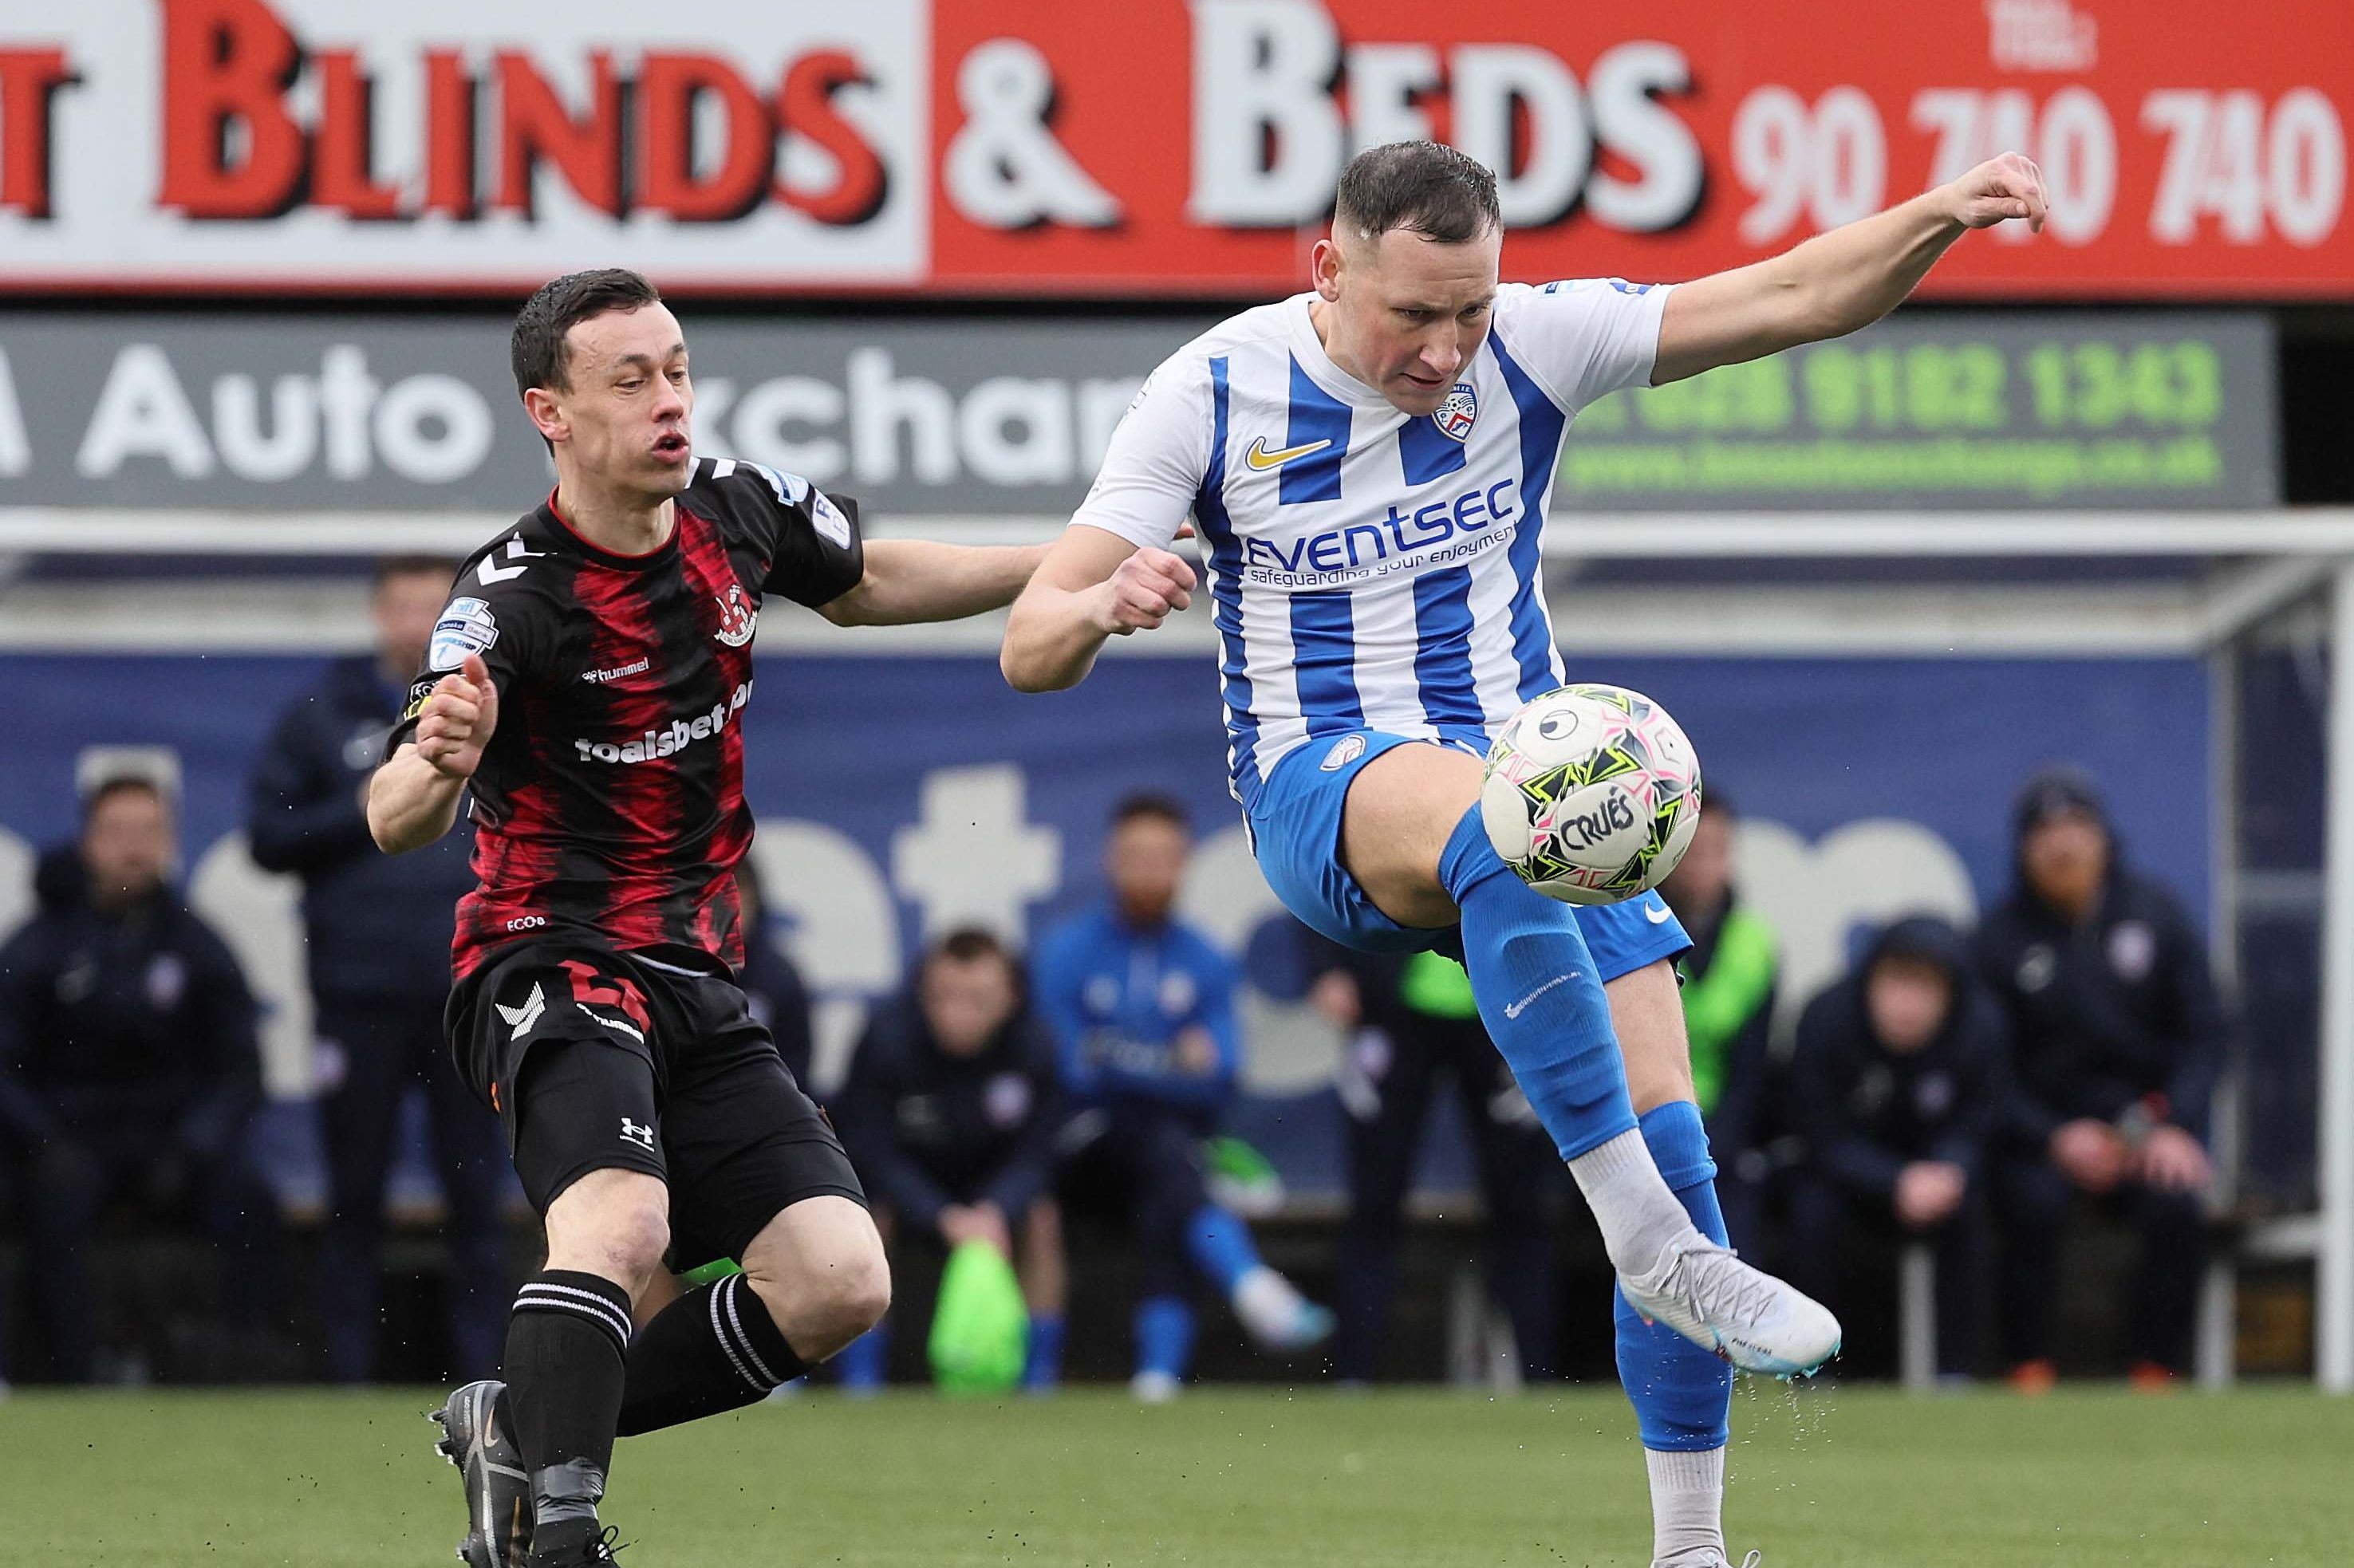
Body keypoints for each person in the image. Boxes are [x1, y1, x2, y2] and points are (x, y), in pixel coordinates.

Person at [1001, 137, 2047, 1566]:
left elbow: (1796, 296)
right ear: (1327, 268)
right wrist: (1104, 597)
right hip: (1327, 795)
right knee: (1520, 835)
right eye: (1411, 314)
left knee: (1676, 1142)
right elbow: (1026, 644)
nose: (1444, 351)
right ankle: (1641, 1235)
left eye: (1470, 312)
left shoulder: (1533, 347)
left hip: (1523, 792)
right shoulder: (1210, 391)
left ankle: (1689, 1544)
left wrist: (1934, 215)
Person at [368, 268, 1047, 1568]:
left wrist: (1070, 560)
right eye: (630, 380)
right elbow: (393, 813)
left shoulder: (733, 511)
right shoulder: (511, 596)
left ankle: (520, 1425)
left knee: (842, 1281)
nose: (669, 399)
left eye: (676, 368)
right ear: (551, 413)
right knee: (620, 1227)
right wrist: (437, 759)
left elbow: (867, 576)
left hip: (694, 971)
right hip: (550, 959)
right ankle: (554, 1540)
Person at [247, 554, 511, 1385]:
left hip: (468, 995)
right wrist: (371, 797)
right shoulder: (324, 714)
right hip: (356, 997)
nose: (414, 623)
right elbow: (268, 838)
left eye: (432, 606)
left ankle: (489, 1377)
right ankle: (344, 1375)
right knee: (351, 1196)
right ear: (376, 615)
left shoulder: (491, 708)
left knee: (478, 1198)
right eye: (401, 607)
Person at [1031, 794, 1332, 1400]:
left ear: (1183, 863)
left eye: (1163, 857)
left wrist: (1113, 1054)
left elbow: (1219, 1078)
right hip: (1079, 1148)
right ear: (1112, 861)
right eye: (1136, 856)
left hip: (1167, 1154)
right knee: (1164, 1153)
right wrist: (1168, 1060)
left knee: (1169, 1177)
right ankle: (1249, 1287)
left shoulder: (1206, 960)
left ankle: (1157, 1380)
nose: (1149, 870)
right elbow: (1069, 1073)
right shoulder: (1066, 952)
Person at [0, 774, 286, 1382]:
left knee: (247, 1199)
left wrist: (197, 1142)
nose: (133, 848)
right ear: (88, 841)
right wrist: (44, 1142)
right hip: (69, 1138)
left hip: (172, 1138)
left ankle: (244, 1365)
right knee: (52, 1197)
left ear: (170, 842)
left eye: (148, 832)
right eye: (118, 832)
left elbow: (240, 1067)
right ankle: (65, 1374)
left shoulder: (197, 944)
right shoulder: (39, 945)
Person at [1975, 768, 2228, 1390]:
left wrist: (2169, 1126)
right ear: (2023, 849)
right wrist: (2053, 1136)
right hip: (2044, 1137)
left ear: (2103, 838)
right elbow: (1985, 1070)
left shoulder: (2157, 917)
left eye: (2076, 828)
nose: (2062, 846)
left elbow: (2206, 1036)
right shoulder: (1997, 941)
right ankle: (2027, 1367)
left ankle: (2155, 1369)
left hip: (2143, 1128)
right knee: (2026, 1203)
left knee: (2175, 1203)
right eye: (2045, 833)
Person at [1307, 942, 1563, 1383]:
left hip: (1504, 1012)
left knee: (1521, 1204)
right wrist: (1326, 965)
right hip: (1392, 1007)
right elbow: (1328, 872)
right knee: (1374, 1202)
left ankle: (1538, 1374)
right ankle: (1352, 1375)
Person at [832, 928, 1067, 1391]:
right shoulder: (886, 1041)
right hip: (910, 1191)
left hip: (994, 1196)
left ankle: (1040, 1378)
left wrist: (997, 1207)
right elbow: (868, 1147)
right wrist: (938, 1213)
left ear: (1010, 997)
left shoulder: (1036, 1046)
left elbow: (1041, 1151)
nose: (957, 1013)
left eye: (978, 999)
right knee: (867, 1218)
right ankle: (860, 1381)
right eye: (944, 996)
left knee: (1043, 1218)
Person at [1786, 916, 2006, 1381]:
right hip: (1845, 1179)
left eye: (1926, 988)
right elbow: (1817, 1132)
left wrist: (1950, 1169)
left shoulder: (1981, 1029)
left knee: (1977, 1214)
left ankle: (1956, 1376)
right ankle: (1813, 1368)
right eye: (1897, 983)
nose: (1908, 1004)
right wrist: (1893, 1180)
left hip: (1939, 1182)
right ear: (1871, 980)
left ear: (1951, 995)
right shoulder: (1826, 1019)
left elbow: (1982, 1120)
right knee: (1810, 1213)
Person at [1656, 794, 1784, 1259]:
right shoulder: (1621, 928)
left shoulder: (1755, 945)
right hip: (1636, 1130)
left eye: (1718, 849)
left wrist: (1709, 1149)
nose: (1703, 865)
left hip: (1716, 1140)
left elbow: (1750, 1069)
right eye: (1691, 849)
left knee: (1733, 1214)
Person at [733, 858, 815, 1090]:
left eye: (739, 900)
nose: (730, 916)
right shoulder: (676, 976)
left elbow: (795, 1071)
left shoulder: (780, 980)